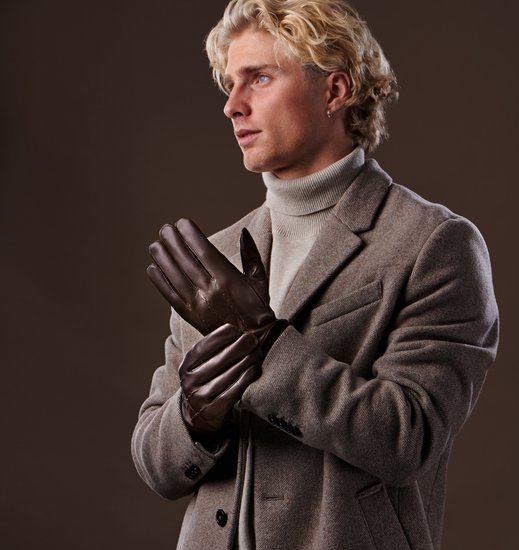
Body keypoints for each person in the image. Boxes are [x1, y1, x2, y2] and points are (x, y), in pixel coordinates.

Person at [131, 1, 499, 548]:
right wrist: (194, 419)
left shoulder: (434, 244)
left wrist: (265, 344)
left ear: (335, 90)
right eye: (229, 84)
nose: (232, 105)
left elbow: (409, 439)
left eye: (259, 78)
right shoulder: (216, 257)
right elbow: (155, 464)